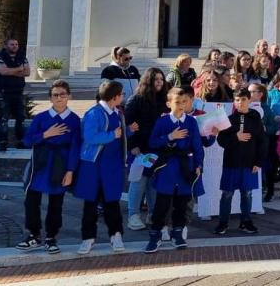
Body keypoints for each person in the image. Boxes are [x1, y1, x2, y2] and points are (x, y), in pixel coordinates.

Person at [16, 80, 80, 254]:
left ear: (69, 96)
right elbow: (27, 140)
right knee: (31, 200)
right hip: (40, 163)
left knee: (56, 203)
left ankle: (51, 237)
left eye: (63, 94)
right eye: (55, 95)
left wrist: (70, 171)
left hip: (60, 164)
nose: (59, 98)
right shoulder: (41, 117)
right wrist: (46, 134)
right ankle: (33, 235)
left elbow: (75, 148)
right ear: (50, 98)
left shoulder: (74, 120)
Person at [144, 88, 204, 253]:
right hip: (167, 168)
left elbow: (197, 145)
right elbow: (153, 142)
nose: (181, 105)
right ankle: (155, 234)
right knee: (162, 204)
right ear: (168, 103)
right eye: (177, 102)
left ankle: (177, 232)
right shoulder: (162, 122)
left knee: (182, 203)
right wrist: (170, 137)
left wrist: (199, 165)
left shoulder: (191, 122)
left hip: (186, 167)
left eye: (184, 102)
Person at [75, 80, 127, 255]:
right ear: (114, 96)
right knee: (91, 203)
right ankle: (88, 238)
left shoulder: (116, 112)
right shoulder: (94, 113)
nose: (123, 97)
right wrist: (113, 134)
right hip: (94, 166)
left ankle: (116, 235)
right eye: (121, 94)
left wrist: (129, 131)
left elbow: (120, 136)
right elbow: (90, 137)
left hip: (111, 166)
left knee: (112, 202)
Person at [214, 88, 267, 235]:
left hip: (249, 164)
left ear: (249, 100)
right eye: (237, 100)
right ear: (234, 101)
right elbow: (221, 140)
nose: (240, 102)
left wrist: (258, 161)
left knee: (247, 194)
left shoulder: (256, 118)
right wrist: (235, 137)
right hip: (231, 164)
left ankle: (246, 222)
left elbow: (262, 141)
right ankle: (223, 223)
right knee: (227, 194)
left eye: (243, 99)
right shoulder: (229, 120)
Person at [125, 68, 170, 231]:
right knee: (139, 181)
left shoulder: (165, 100)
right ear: (148, 81)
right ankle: (133, 215)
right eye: (156, 79)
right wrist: (133, 146)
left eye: (161, 79)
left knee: (153, 183)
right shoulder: (136, 99)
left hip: (159, 148)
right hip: (140, 149)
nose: (159, 82)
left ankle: (152, 214)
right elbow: (128, 125)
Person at [0, 38, 30, 151]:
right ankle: (3, 142)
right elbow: (2, 71)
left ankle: (20, 141)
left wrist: (10, 71)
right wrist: (19, 70)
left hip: (18, 93)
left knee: (20, 118)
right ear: (6, 45)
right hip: (4, 93)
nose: (15, 46)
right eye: (12, 44)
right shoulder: (0, 57)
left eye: (16, 44)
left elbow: (27, 72)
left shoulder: (22, 57)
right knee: (3, 119)